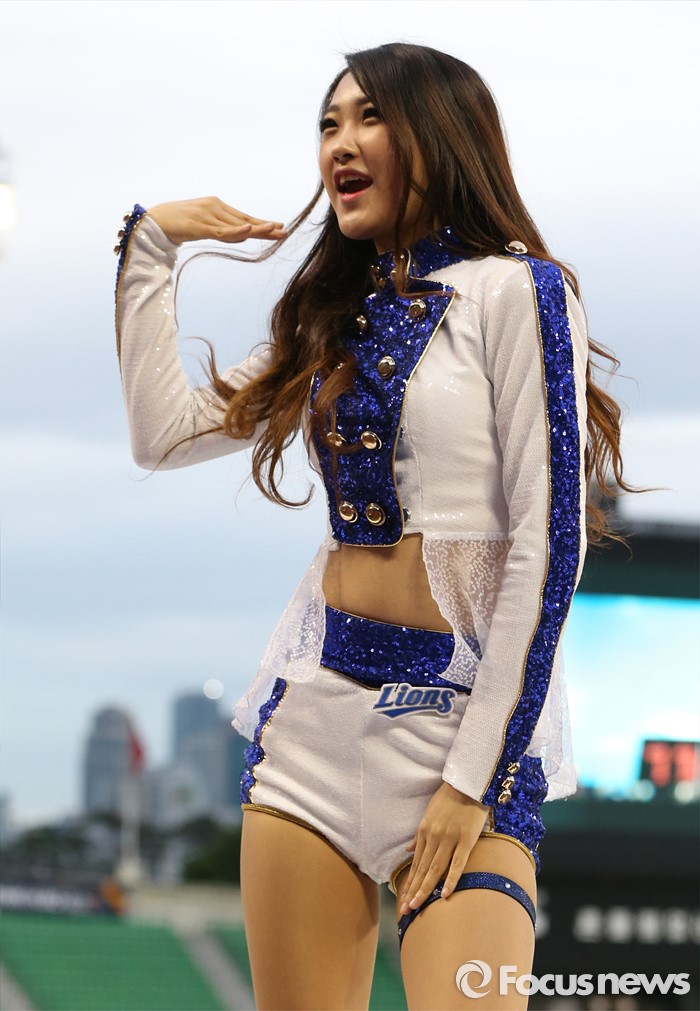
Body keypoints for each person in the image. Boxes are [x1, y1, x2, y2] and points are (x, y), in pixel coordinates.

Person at [114, 42, 631, 1010]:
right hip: (312, 736)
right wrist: (150, 249)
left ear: (441, 134)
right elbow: (163, 433)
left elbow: (547, 545)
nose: (340, 144)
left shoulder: (517, 291)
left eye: (369, 117)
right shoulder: (333, 314)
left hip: (461, 736)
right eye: (328, 124)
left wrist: (470, 783)